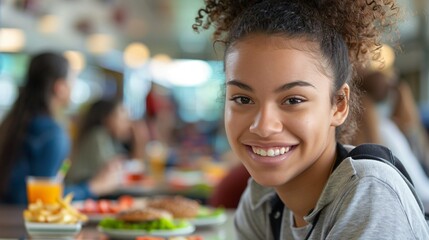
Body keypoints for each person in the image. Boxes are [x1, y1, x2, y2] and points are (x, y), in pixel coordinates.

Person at [193, 0, 429, 239]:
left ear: (338, 105)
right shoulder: (261, 199)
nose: (263, 126)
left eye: (293, 100)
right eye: (243, 99)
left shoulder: (370, 193)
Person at [0, 52, 73, 204]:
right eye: (71, 80)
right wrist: (93, 188)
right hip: (23, 223)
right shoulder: (52, 132)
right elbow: (44, 199)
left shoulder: (12, 122)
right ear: (59, 87)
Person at [65, 98, 148, 198]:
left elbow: (131, 163)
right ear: (107, 118)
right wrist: (139, 140)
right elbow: (112, 171)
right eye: (122, 119)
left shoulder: (110, 138)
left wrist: (138, 140)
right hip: (80, 190)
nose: (128, 124)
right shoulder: (97, 135)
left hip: (90, 191)